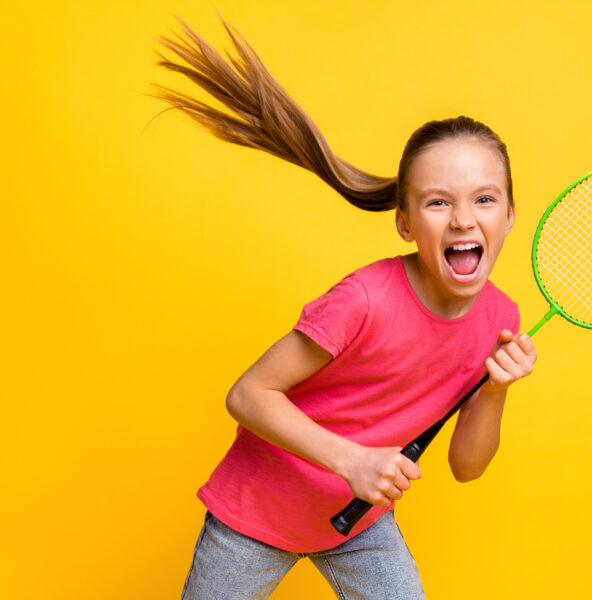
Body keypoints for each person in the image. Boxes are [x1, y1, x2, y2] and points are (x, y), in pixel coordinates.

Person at [153, 18, 537, 600]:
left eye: (485, 199)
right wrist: (354, 462)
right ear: (405, 222)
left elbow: (468, 467)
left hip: (357, 527)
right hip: (254, 515)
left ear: (509, 215)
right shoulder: (364, 299)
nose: (463, 219)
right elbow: (247, 395)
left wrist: (496, 391)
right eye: (438, 202)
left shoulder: (499, 320)